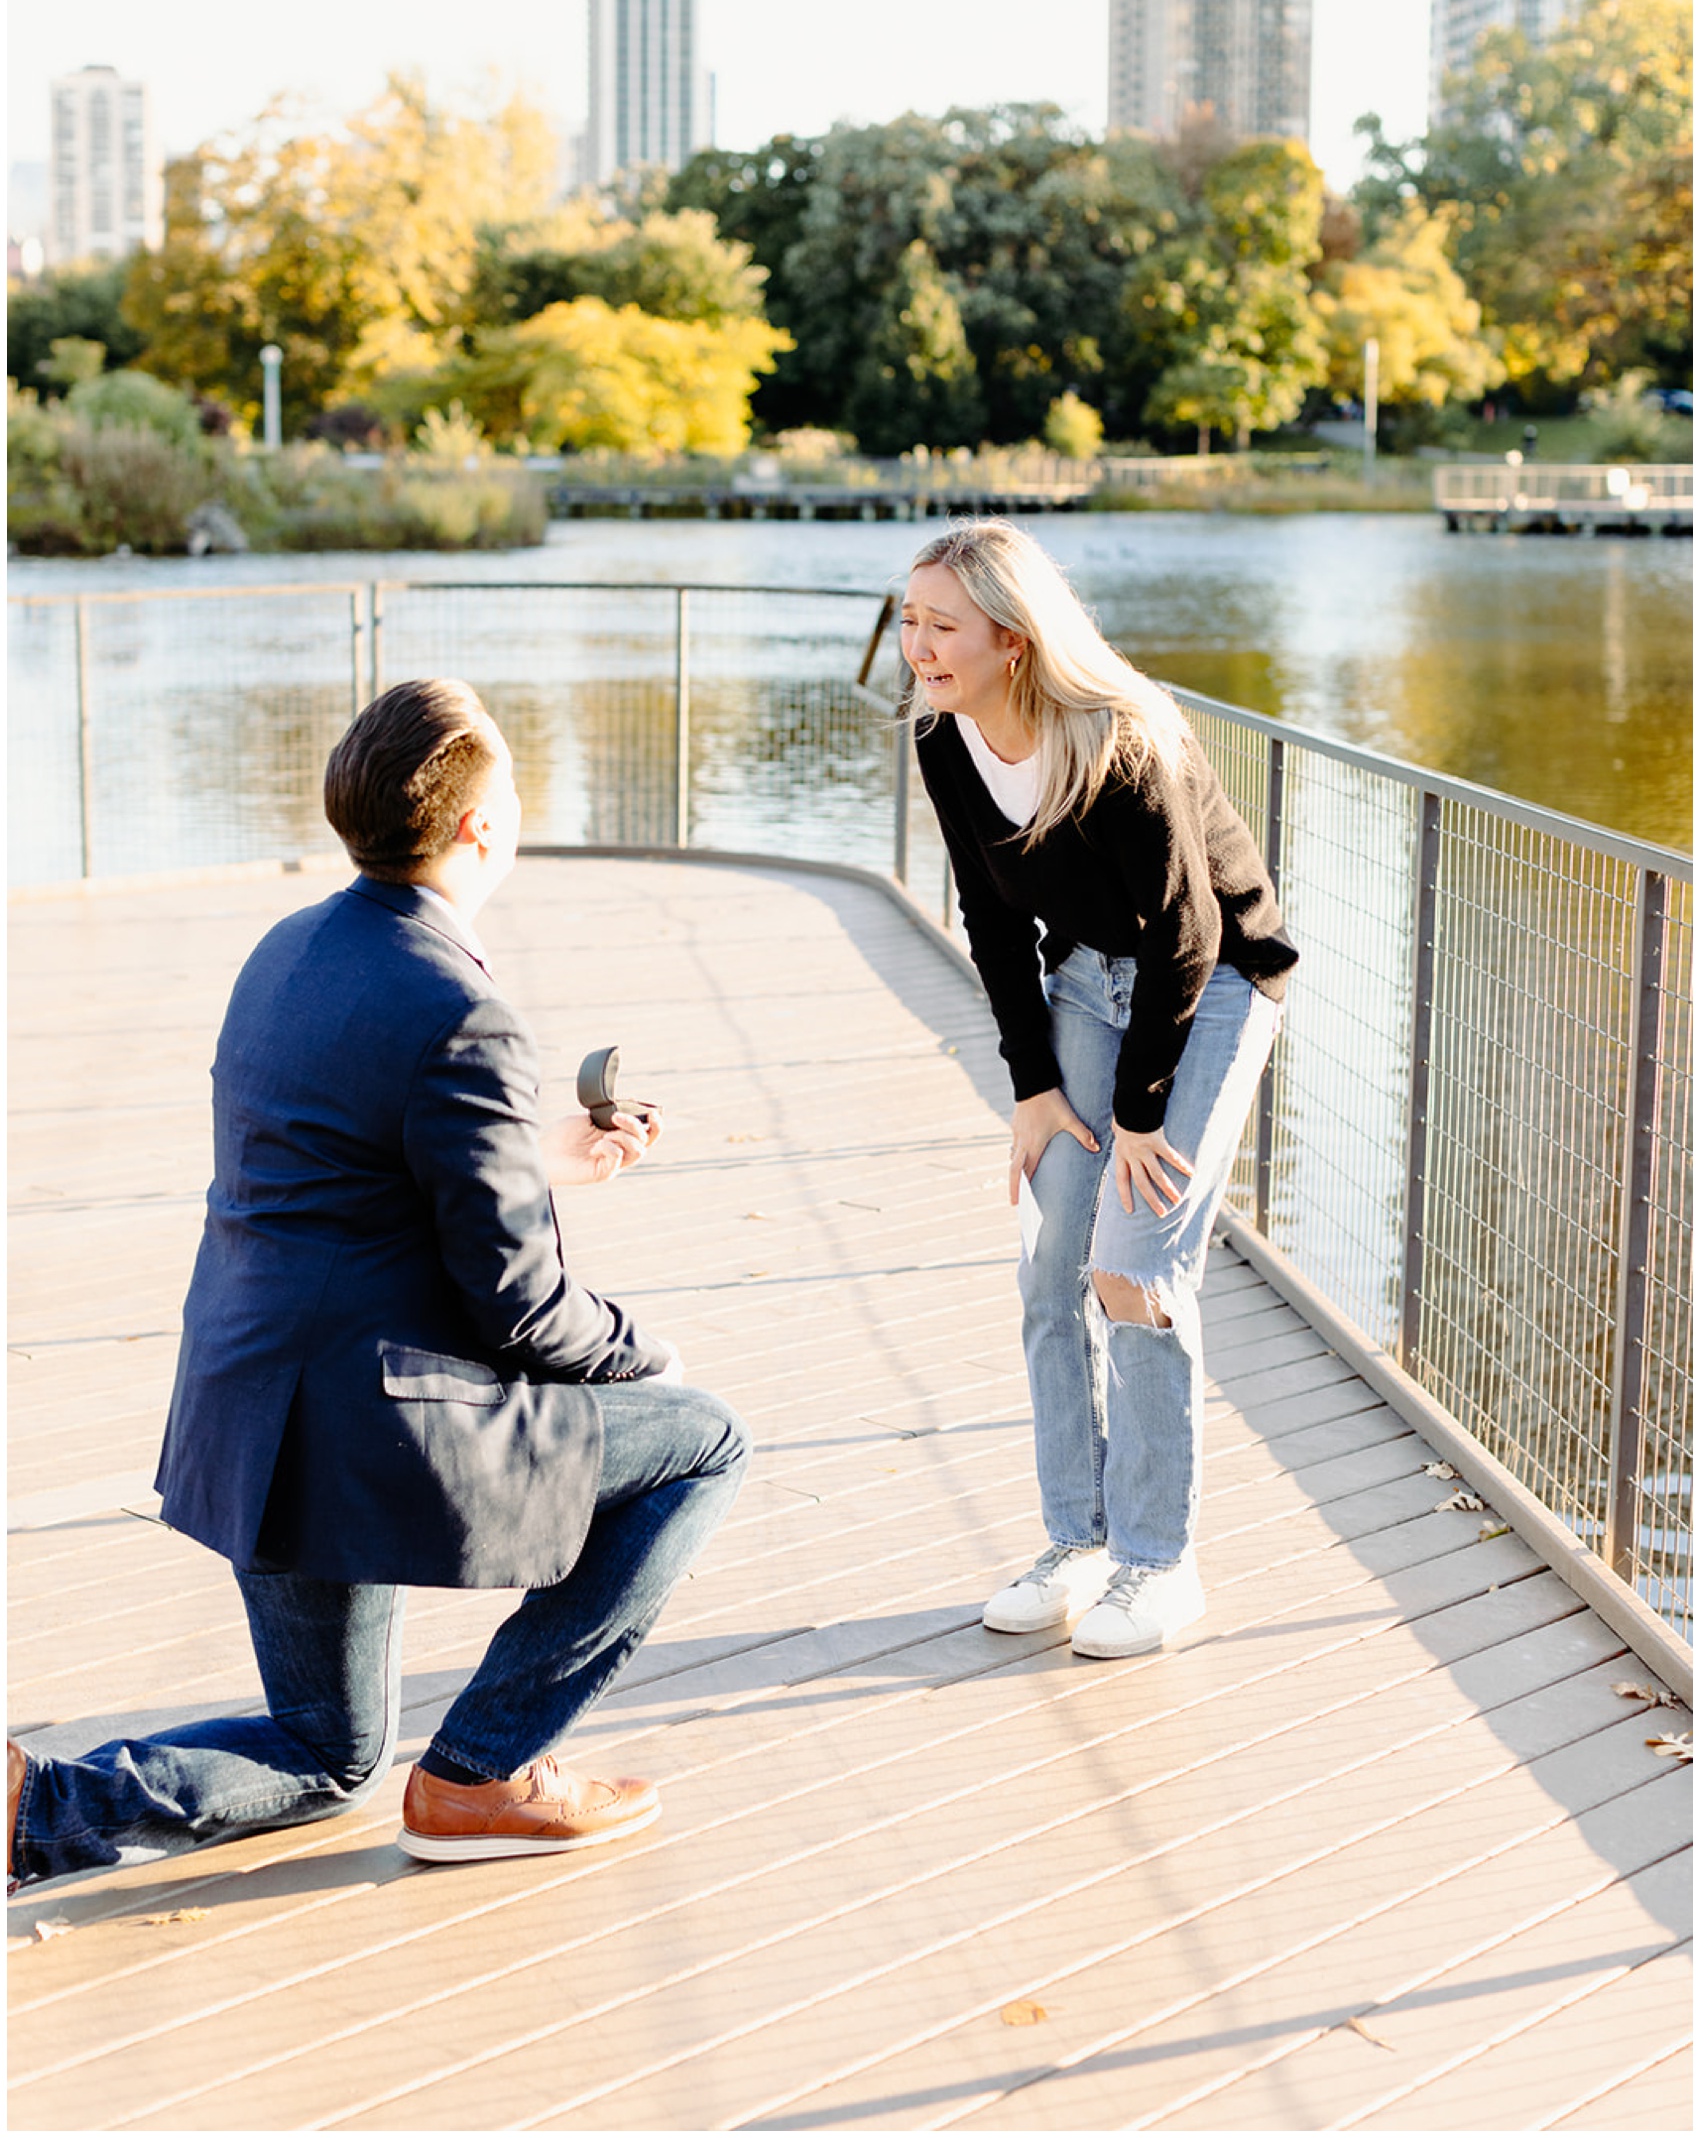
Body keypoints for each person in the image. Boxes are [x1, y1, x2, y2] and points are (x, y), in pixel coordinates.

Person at [8, 679, 748, 1889]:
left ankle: (30, 1811)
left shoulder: (287, 948)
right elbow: (519, 1306)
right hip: (364, 1420)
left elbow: (335, 1163)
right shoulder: (463, 1008)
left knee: (330, 1754)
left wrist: (531, 1153)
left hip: (247, 1407)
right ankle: (482, 1770)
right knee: (704, 1440)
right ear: (480, 828)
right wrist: (639, 1355)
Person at [901, 522, 1296, 1657]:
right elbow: (989, 920)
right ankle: (1074, 1541)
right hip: (1080, 983)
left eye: (941, 625)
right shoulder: (944, 738)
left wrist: (1134, 1115)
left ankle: (1157, 1564)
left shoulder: (1119, 739)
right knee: (1046, 1260)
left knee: (1131, 1266)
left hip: (1213, 983)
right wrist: (1031, 1088)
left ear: (1012, 640)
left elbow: (1188, 931)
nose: (917, 645)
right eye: (912, 619)